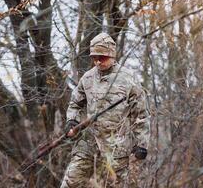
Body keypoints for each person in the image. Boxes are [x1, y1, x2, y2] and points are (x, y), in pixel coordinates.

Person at [60, 32, 149, 188]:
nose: (98, 62)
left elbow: (141, 114)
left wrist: (141, 143)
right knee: (71, 182)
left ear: (112, 55)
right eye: (95, 58)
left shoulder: (128, 78)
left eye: (102, 57)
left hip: (116, 144)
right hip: (89, 140)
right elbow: (75, 103)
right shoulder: (87, 78)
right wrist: (71, 121)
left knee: (115, 184)